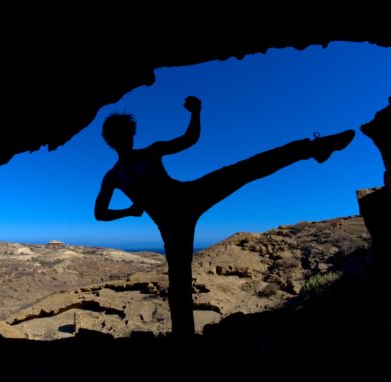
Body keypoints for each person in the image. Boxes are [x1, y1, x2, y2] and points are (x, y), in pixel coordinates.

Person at [94, 96, 354, 337]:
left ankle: (315, 147)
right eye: (121, 134)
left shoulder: (123, 171)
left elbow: (189, 138)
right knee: (179, 284)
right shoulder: (121, 171)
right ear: (118, 137)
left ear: (122, 136)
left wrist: (196, 113)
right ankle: (183, 339)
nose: (124, 137)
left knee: (245, 169)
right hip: (175, 219)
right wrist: (129, 210)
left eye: (124, 133)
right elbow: (100, 214)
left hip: (186, 200)